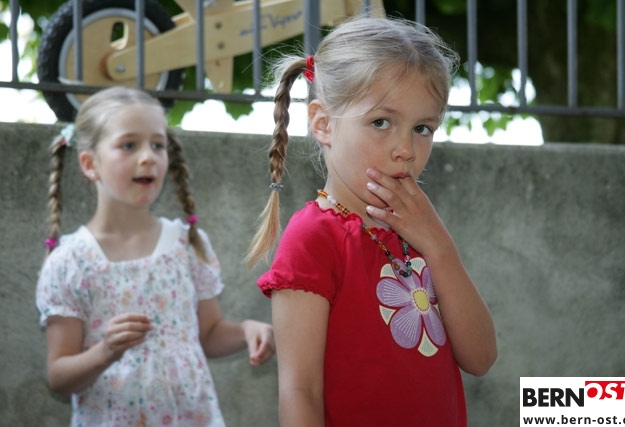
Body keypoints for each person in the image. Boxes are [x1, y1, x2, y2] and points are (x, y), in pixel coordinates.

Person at [246, 16, 497, 426]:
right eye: (381, 122)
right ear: (323, 124)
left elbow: (481, 357)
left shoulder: (421, 233)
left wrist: (439, 246)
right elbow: (300, 391)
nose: (406, 149)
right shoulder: (314, 237)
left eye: (422, 128)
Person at [36, 86, 275, 427]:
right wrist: (106, 351)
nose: (148, 157)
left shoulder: (188, 244)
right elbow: (59, 376)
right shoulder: (69, 262)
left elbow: (208, 334)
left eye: (158, 145)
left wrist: (247, 329)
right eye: (129, 145)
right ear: (90, 164)